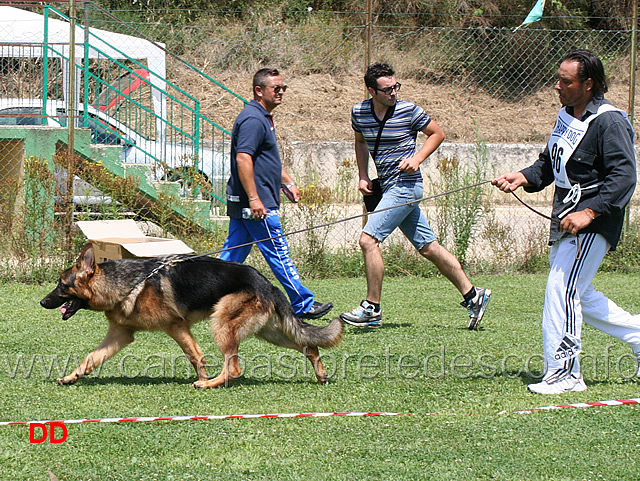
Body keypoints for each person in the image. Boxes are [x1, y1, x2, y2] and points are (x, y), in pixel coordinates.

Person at [493, 49, 640, 394]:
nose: (556, 85)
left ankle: (565, 373)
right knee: (581, 293)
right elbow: (549, 164)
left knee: (563, 291)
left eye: (565, 80)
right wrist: (523, 177)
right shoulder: (566, 115)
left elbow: (624, 176)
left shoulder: (610, 120)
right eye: (558, 78)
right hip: (566, 219)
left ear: (588, 84)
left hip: (591, 220)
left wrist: (590, 212)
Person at [340, 62, 491, 329]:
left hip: (406, 185)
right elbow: (360, 141)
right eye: (387, 89)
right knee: (428, 247)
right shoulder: (359, 113)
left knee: (368, 240)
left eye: (395, 87)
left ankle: (371, 308)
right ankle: (473, 296)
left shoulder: (409, 110)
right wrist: (363, 175)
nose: (393, 93)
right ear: (371, 91)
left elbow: (437, 133)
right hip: (386, 186)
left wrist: (417, 158)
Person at [219, 67, 333, 320]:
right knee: (278, 252)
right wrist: (255, 198)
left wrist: (287, 181)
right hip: (257, 205)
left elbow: (263, 161)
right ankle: (303, 303)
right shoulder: (253, 119)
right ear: (259, 91)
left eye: (283, 88)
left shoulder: (261, 117)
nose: (281, 92)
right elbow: (243, 159)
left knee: (230, 258)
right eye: (276, 88)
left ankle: (202, 296)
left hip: (248, 202)